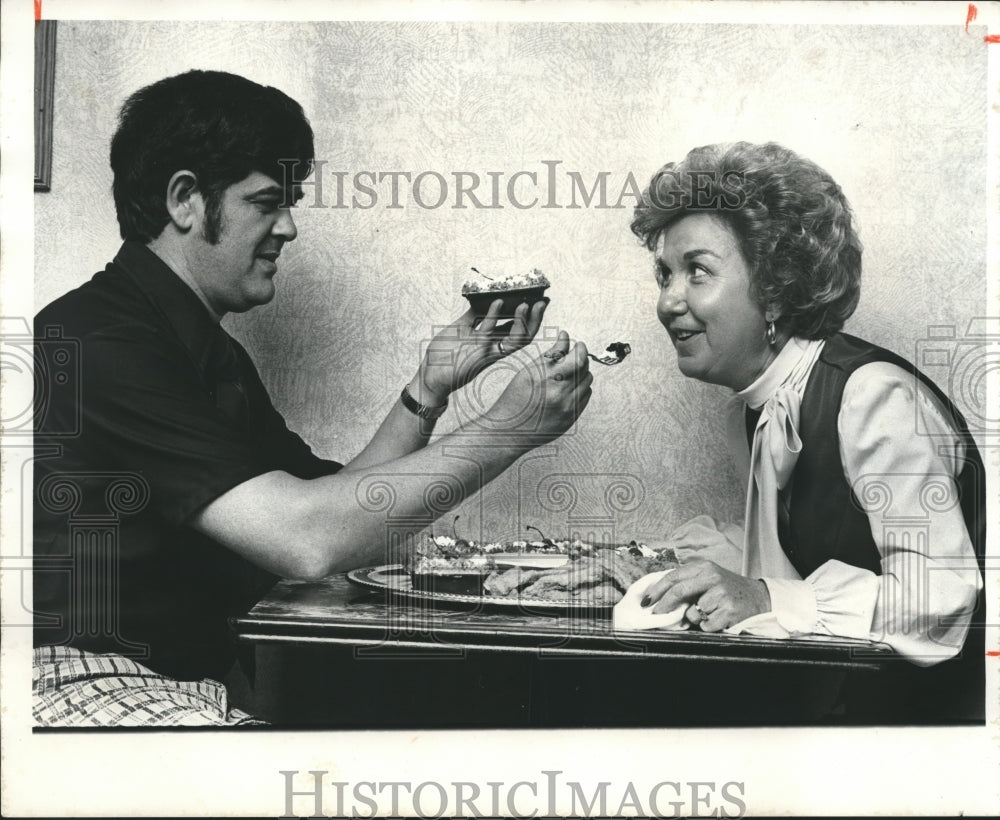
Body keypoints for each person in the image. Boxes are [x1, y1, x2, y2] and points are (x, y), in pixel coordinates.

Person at [32, 70, 592, 726]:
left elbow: (340, 515)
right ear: (185, 199)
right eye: (267, 202)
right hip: (79, 682)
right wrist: (508, 429)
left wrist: (428, 389)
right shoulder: (97, 342)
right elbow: (306, 540)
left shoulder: (197, 348)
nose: (289, 228)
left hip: (186, 689)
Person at [629, 142, 985, 723]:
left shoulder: (873, 396)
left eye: (697, 272)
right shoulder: (757, 405)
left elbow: (940, 598)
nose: (669, 301)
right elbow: (782, 550)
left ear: (774, 287)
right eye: (664, 274)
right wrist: (641, 565)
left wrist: (769, 599)